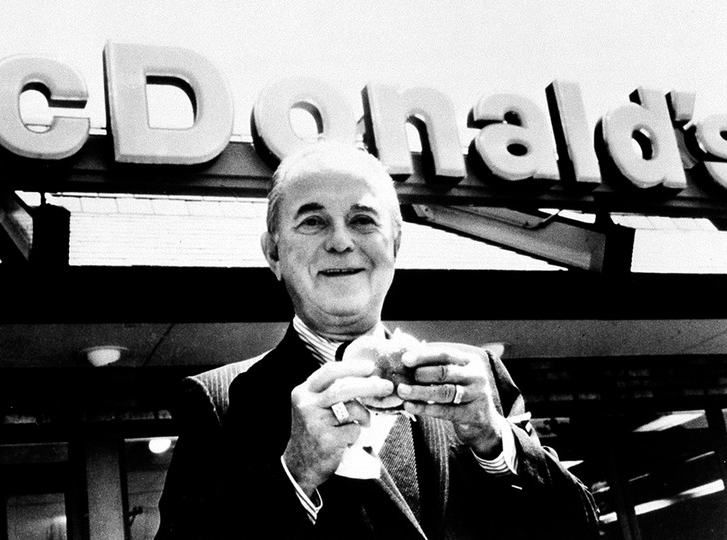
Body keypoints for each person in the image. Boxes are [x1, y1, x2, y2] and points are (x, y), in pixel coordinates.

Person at [156, 141, 600, 539]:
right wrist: (295, 474)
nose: (341, 241)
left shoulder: (477, 379)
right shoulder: (220, 402)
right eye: (313, 221)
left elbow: (580, 527)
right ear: (273, 253)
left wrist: (496, 442)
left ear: (396, 243)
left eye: (362, 220)